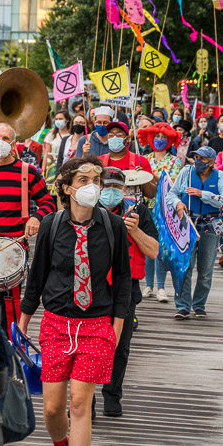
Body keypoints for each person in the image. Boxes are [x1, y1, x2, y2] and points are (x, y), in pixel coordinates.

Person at [19, 156, 130, 446]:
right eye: (84, 178)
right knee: (52, 407)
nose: (93, 184)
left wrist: (116, 328)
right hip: (54, 323)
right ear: (67, 187)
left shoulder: (113, 226)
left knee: (80, 404)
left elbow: (124, 281)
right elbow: (36, 277)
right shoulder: (52, 225)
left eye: (97, 178)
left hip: (97, 325)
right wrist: (23, 320)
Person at [0, 122, 56, 330]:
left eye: (6, 139)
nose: (0, 143)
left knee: (10, 308)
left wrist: (36, 218)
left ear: (13, 143)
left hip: (13, 250)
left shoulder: (28, 172)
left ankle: (10, 347)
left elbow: (48, 203)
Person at [97, 167, 157, 417]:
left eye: (116, 187)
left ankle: (112, 394)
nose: (111, 191)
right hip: (92, 285)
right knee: (88, 344)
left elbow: (153, 250)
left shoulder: (138, 211)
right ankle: (85, 400)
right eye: (106, 186)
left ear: (124, 188)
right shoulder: (88, 209)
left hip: (125, 287)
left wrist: (134, 230)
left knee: (120, 345)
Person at [167, 146, 223, 319]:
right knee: (185, 266)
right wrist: (178, 204)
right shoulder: (186, 173)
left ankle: (199, 305)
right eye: (196, 157)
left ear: (211, 162)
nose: (197, 161)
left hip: (210, 224)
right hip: (188, 222)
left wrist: (203, 194)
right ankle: (182, 306)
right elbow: (171, 195)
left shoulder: (220, 176)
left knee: (206, 269)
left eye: (202, 159)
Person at [135, 122, 182, 303]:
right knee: (147, 245)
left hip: (165, 210)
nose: (160, 140)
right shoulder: (144, 159)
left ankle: (161, 287)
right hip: (146, 207)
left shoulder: (174, 161)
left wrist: (151, 175)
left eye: (164, 137)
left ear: (170, 140)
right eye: (157, 137)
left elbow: (172, 183)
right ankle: (148, 285)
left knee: (161, 249)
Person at [97, 122, 157, 199]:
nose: (114, 138)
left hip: (131, 209)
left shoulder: (140, 160)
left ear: (127, 139)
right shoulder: (100, 161)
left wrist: (142, 177)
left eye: (119, 135)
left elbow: (151, 194)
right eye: (111, 135)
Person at [43, 110, 71, 182]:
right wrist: (43, 171)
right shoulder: (51, 136)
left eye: (60, 119)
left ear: (67, 120)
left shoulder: (72, 136)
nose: (58, 121)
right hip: (53, 168)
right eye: (56, 119)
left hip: (68, 167)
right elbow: (46, 154)